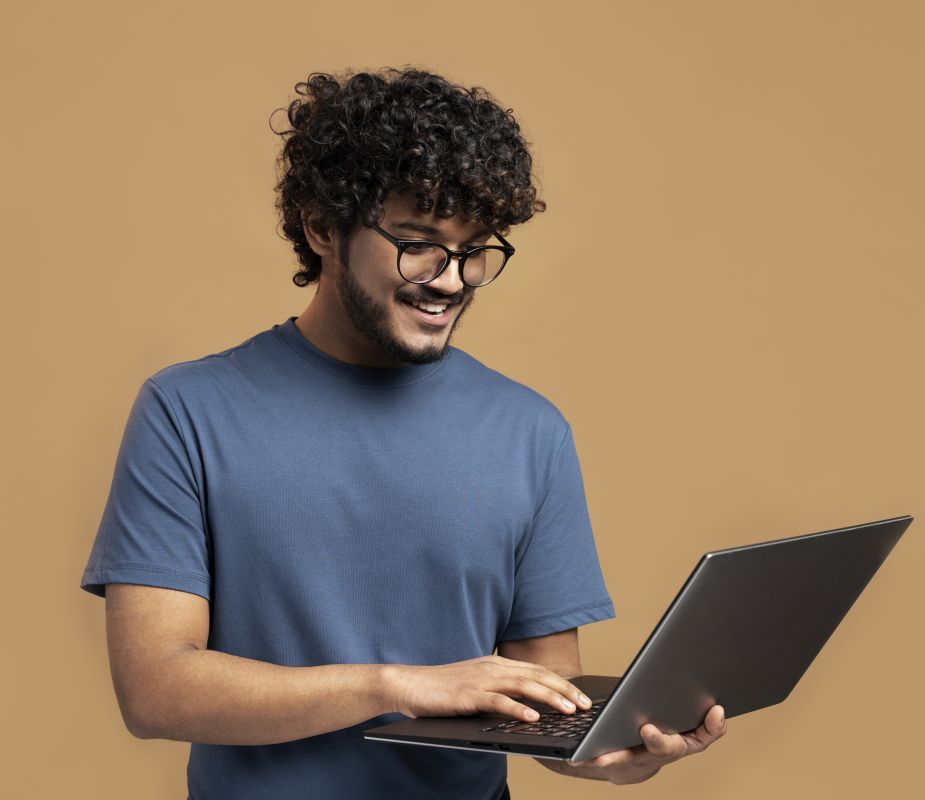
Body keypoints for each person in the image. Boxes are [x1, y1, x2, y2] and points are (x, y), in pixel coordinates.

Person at [80, 67, 726, 799]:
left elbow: (541, 693)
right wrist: (400, 686)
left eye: (475, 249)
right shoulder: (186, 410)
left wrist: (608, 748)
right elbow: (155, 689)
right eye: (418, 242)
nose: (451, 280)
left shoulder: (529, 429)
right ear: (323, 228)